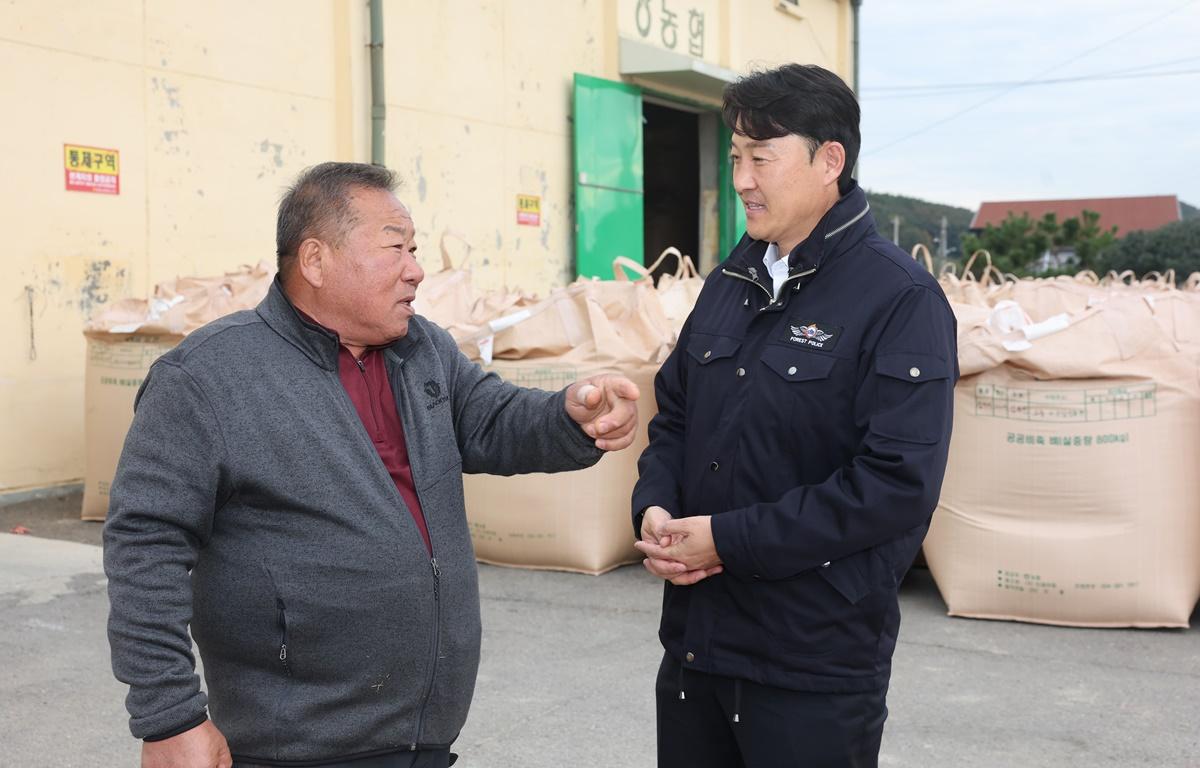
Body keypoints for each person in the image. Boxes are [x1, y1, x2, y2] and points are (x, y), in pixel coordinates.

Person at [104, 162, 640, 768]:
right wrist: (170, 716)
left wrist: (570, 416)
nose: (416, 268)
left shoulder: (423, 349)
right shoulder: (207, 378)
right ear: (315, 260)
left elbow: (491, 420)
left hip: (422, 737)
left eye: (413, 248)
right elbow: (145, 545)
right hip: (293, 747)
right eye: (395, 248)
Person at [631, 64, 958, 767]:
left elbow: (896, 484)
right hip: (697, 651)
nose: (742, 178)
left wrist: (728, 539)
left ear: (828, 161)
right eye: (734, 158)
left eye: (761, 157)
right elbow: (676, 416)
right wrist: (654, 504)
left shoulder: (900, 298)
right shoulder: (729, 281)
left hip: (812, 667)